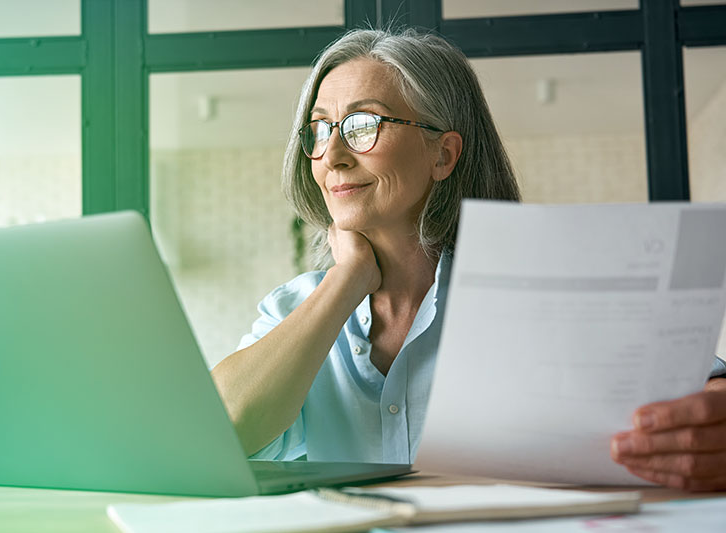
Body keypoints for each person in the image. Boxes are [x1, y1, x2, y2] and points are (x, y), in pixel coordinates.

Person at [211, 27, 726, 491]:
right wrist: (347, 279)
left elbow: (699, 386)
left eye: (362, 124)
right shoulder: (292, 310)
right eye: (320, 130)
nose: (334, 155)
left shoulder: (536, 287)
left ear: (444, 154)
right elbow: (222, 432)